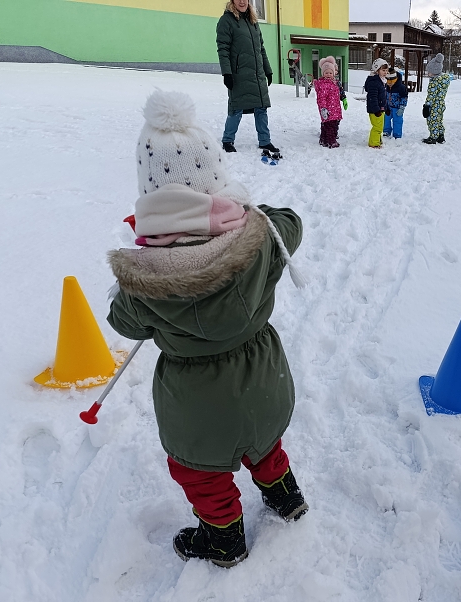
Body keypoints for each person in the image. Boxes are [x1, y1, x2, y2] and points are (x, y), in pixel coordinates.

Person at [109, 90, 308, 569]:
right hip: (264, 379)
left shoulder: (145, 282)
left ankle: (223, 537)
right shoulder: (260, 243)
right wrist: (242, 211)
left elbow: (123, 322)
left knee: (202, 474)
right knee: (265, 444)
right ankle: (284, 494)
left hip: (196, 403)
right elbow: (290, 223)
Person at [216, 0, 280, 154]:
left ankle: (265, 141)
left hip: (257, 74)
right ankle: (227, 140)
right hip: (238, 74)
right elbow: (223, 49)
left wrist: (268, 70)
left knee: (261, 108)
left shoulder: (253, 21)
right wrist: (227, 73)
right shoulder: (226, 21)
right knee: (236, 109)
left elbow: (261, 48)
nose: (242, 1)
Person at [314, 56, 343, 148]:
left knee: (328, 125)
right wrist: (323, 108)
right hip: (328, 109)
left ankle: (323, 139)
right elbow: (321, 98)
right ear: (323, 73)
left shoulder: (334, 83)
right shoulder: (324, 84)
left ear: (334, 73)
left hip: (335, 109)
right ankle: (331, 141)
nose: (328, 74)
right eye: (326, 73)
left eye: (330, 73)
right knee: (329, 126)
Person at [422, 53, 450, 144]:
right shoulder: (444, 80)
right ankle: (440, 135)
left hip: (434, 105)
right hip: (441, 104)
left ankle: (433, 137)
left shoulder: (434, 82)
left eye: (429, 71)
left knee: (432, 121)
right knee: (439, 120)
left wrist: (427, 106)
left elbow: (431, 95)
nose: (428, 73)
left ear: (434, 71)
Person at [365, 58, 389, 148]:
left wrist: (386, 108)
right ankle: (374, 143)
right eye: (383, 70)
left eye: (386, 70)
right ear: (377, 70)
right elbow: (373, 97)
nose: (385, 72)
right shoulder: (374, 82)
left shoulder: (382, 81)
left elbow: (383, 97)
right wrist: (376, 110)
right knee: (377, 127)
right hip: (375, 109)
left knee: (380, 126)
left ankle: (378, 140)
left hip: (381, 108)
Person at [383, 67, 408, 139]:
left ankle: (397, 134)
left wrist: (402, 107)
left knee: (397, 121)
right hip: (388, 107)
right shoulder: (386, 86)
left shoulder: (401, 87)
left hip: (397, 108)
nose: (390, 84)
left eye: (391, 83)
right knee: (386, 119)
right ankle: (386, 131)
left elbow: (404, 97)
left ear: (395, 80)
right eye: (388, 82)